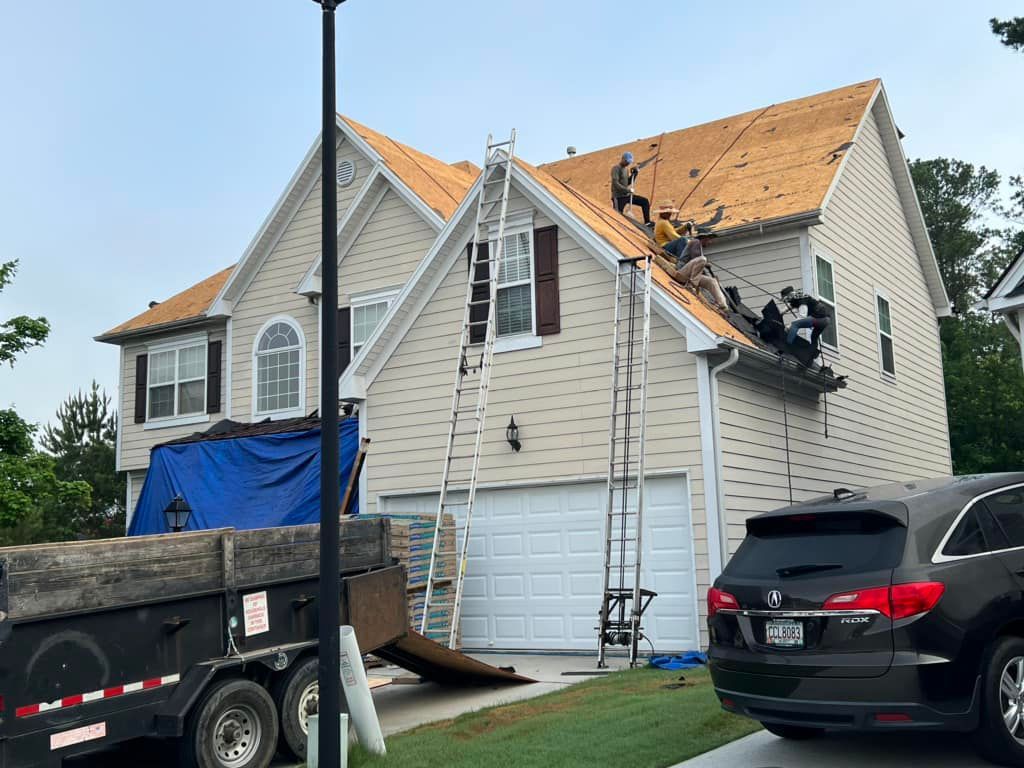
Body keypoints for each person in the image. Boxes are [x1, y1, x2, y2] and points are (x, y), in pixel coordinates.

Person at [674, 230, 729, 310]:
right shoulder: (695, 242)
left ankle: (723, 304)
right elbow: (696, 257)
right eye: (709, 239)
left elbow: (698, 268)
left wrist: (707, 271)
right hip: (682, 273)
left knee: (712, 281)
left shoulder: (700, 248)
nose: (710, 242)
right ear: (704, 238)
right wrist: (706, 263)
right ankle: (692, 286)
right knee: (702, 259)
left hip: (690, 276)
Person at [611, 152, 651, 224]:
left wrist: (635, 174)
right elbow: (615, 183)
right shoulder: (616, 168)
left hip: (626, 195)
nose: (628, 163)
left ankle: (647, 222)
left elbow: (628, 182)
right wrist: (627, 190)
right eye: (627, 161)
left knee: (644, 201)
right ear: (622, 159)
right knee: (617, 216)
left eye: (629, 162)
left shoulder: (625, 170)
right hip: (618, 197)